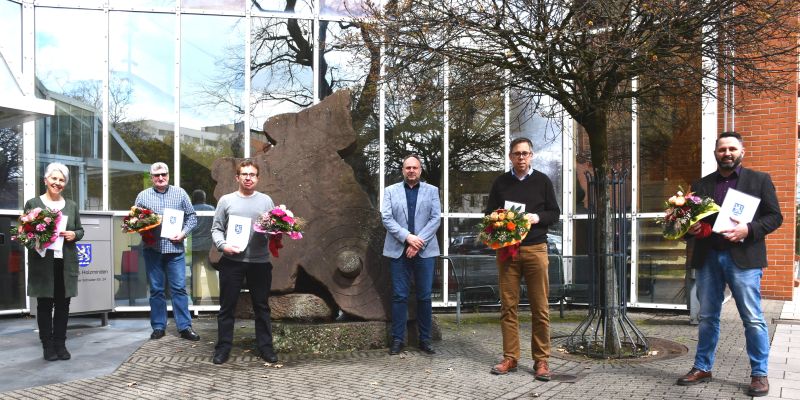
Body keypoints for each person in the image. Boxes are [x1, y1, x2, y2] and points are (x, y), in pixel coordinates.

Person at [676, 131, 783, 397]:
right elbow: (689, 225)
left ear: (741, 152)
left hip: (744, 258)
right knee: (707, 317)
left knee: (753, 319)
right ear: (715, 153)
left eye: (732, 149)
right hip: (708, 257)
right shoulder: (700, 185)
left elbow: (775, 217)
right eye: (722, 149)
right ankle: (703, 367)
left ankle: (759, 374)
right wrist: (690, 228)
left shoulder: (759, 180)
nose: (727, 153)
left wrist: (749, 229)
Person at [485, 137, 560, 381]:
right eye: (517, 153)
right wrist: (499, 219)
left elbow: (554, 213)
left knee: (540, 307)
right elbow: (489, 215)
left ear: (532, 156)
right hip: (508, 251)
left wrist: (535, 218)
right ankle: (511, 357)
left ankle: (541, 361)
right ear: (510, 156)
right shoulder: (500, 183)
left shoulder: (542, 181)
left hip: (535, 249)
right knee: (508, 307)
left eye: (525, 153)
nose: (521, 157)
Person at [210, 160, 278, 365]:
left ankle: (266, 348)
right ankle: (223, 348)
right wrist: (223, 246)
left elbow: (275, 226)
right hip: (232, 261)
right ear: (237, 177)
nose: (248, 178)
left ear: (258, 178)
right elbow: (216, 228)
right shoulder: (226, 200)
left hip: (260, 262)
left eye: (252, 174)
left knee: (262, 307)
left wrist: (278, 232)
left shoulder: (266, 201)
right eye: (244, 174)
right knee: (227, 307)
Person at [381, 154, 441, 355]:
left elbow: (435, 219)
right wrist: (408, 238)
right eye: (408, 168)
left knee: (424, 296)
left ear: (420, 170)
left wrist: (417, 242)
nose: (411, 171)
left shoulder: (432, 191)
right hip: (399, 250)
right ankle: (398, 340)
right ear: (402, 170)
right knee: (399, 296)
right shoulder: (390, 191)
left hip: (425, 251)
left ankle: (425, 340)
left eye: (415, 167)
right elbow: (387, 218)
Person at [135, 162, 199, 341]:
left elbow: (192, 217)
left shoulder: (180, 193)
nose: (160, 178)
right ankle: (158, 327)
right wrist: (142, 229)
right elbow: (135, 220)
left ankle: (185, 327)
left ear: (169, 175)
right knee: (156, 289)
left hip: (175, 250)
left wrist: (183, 233)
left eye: (164, 174)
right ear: (151, 177)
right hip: (152, 249)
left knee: (179, 289)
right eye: (157, 175)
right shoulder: (143, 196)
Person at [27, 162, 84, 361]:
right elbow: (26, 235)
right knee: (44, 306)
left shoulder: (71, 205)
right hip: (43, 263)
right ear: (45, 180)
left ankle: (61, 343)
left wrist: (73, 234)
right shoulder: (33, 204)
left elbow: (80, 230)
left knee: (63, 306)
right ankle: (47, 346)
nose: (57, 183)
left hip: (64, 262)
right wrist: (38, 242)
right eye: (54, 178)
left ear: (65, 184)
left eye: (61, 180)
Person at [190, 189, 218, 305]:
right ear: (204, 198)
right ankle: (215, 299)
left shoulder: (190, 210)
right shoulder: (211, 209)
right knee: (211, 273)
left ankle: (196, 300)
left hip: (194, 246)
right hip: (208, 245)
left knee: (195, 274)